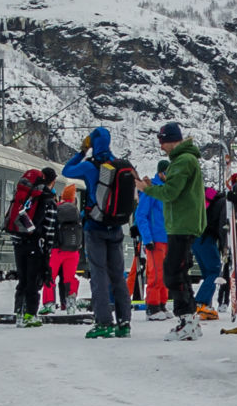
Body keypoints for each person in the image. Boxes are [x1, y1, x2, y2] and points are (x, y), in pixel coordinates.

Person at [62, 127, 138, 339]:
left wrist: (82, 151)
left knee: (99, 275)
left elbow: (66, 171)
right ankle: (124, 323)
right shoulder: (118, 164)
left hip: (95, 226)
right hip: (115, 227)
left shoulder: (90, 166)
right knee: (118, 276)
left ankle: (103, 322)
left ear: (93, 143)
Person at [139, 122, 207, 341]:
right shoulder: (186, 161)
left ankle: (186, 319)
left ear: (171, 140)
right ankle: (191, 319)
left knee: (173, 272)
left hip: (181, 223)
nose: (161, 147)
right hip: (184, 223)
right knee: (180, 270)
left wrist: (147, 189)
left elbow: (170, 193)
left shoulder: (182, 161)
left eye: (162, 141)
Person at [4, 167, 58, 326]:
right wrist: (47, 251)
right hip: (36, 245)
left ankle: (19, 313)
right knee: (33, 280)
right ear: (52, 181)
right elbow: (49, 229)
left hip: (19, 241)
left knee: (23, 278)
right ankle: (30, 315)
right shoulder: (49, 201)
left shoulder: (27, 197)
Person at [135, 164, 170, 319]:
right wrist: (147, 238)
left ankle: (161, 303)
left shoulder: (167, 190)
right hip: (156, 239)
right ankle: (152, 306)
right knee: (156, 273)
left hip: (167, 237)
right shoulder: (152, 190)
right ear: (161, 173)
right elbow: (141, 215)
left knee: (165, 274)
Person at [48, 183, 84, 311]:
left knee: (50, 276)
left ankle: (49, 304)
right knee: (70, 278)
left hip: (57, 250)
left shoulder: (57, 208)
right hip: (73, 251)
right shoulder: (76, 211)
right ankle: (70, 303)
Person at [193, 187, 227, 320]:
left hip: (195, 238)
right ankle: (201, 303)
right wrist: (225, 245)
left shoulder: (211, 201)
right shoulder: (224, 203)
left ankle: (205, 304)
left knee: (208, 273)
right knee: (214, 270)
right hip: (206, 238)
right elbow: (223, 226)